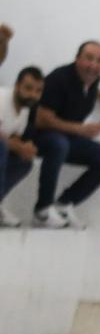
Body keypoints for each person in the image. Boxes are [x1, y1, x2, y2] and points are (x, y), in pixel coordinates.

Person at [31, 41, 100, 229]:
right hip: (39, 137)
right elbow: (41, 119)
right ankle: (43, 211)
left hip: (66, 138)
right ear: (77, 59)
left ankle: (63, 205)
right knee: (58, 144)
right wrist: (80, 129)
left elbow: (93, 88)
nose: (93, 65)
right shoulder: (59, 79)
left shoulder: (91, 80)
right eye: (89, 58)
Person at [0, 67, 44, 228]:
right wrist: (19, 147)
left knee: (24, 161)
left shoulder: (25, 109)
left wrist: (25, 147)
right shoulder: (2, 99)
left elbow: (14, 137)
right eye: (28, 88)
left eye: (38, 91)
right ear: (17, 86)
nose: (33, 95)